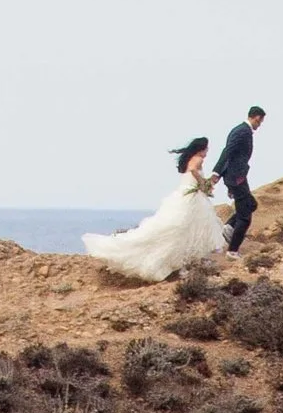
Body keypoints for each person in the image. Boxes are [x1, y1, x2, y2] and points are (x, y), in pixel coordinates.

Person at [82, 138, 227, 281]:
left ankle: (188, 259)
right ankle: (190, 259)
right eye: (207, 148)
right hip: (192, 196)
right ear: (202, 148)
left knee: (184, 226)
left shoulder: (190, 158)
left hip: (186, 193)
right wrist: (203, 183)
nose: (207, 151)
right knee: (185, 227)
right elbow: (193, 170)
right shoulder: (197, 159)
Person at [213, 105, 265, 255]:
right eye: (260, 122)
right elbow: (227, 151)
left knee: (251, 204)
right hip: (236, 178)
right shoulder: (242, 131)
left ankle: (229, 227)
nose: (259, 125)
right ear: (257, 118)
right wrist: (217, 172)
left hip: (237, 177)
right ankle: (233, 251)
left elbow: (235, 155)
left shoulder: (243, 130)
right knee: (245, 217)